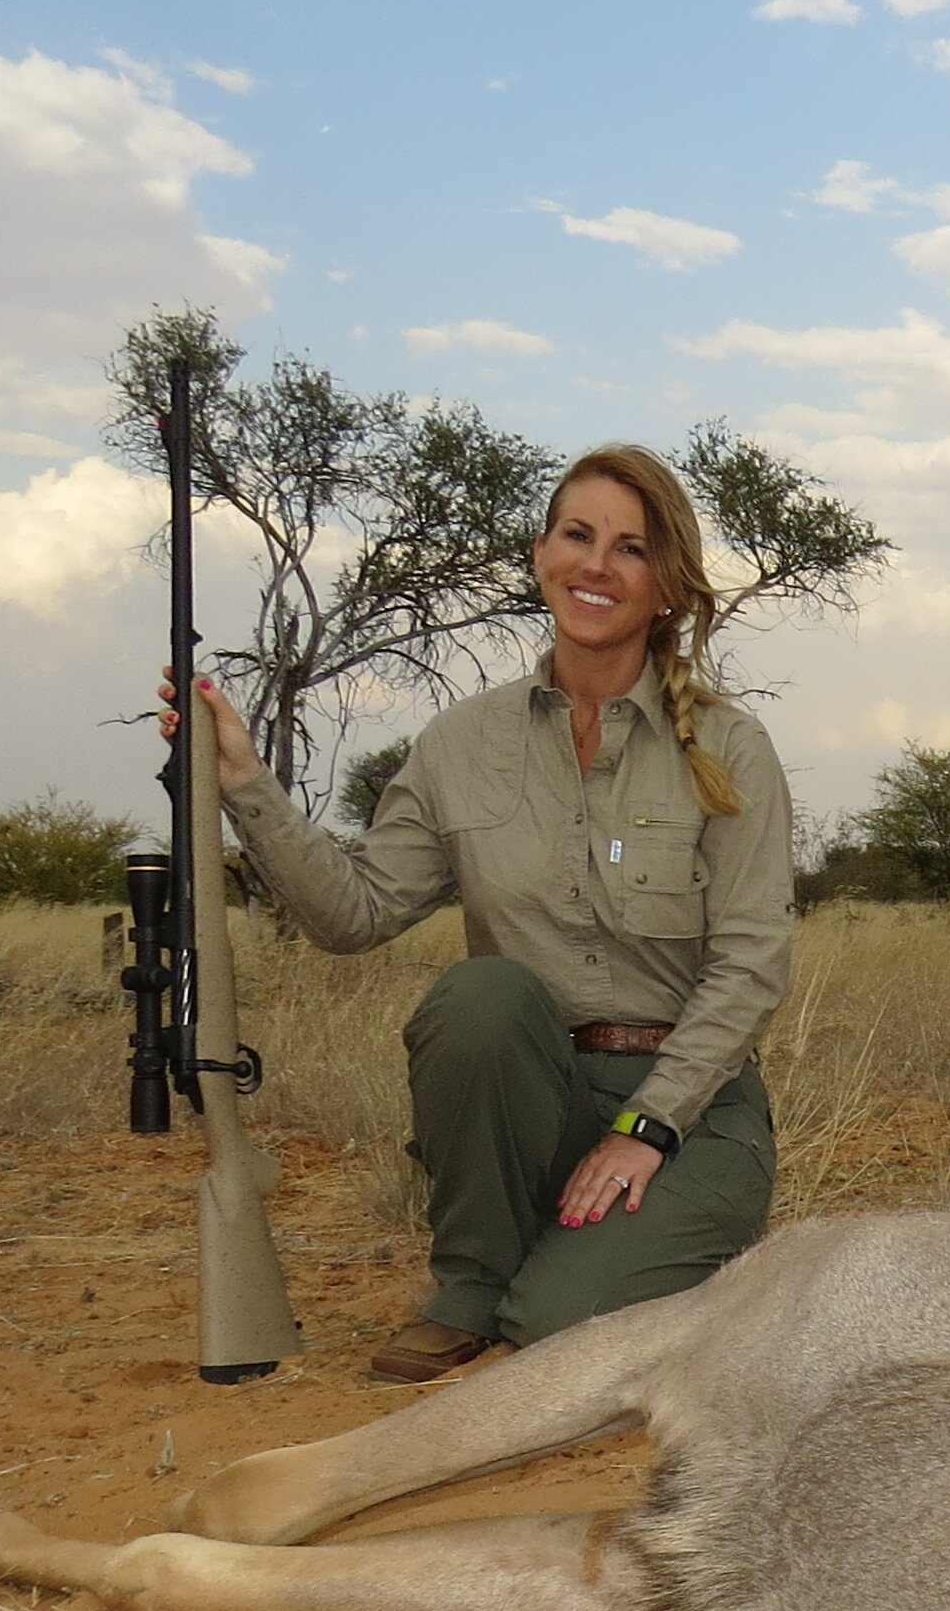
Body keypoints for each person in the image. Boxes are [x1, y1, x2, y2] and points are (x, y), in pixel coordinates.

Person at [164, 444, 797, 1383]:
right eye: (577, 536)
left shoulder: (732, 748)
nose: (595, 565)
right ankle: (470, 1282)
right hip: (530, 1105)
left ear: (665, 585)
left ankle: (560, 1274)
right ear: (541, 553)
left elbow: (748, 968)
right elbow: (354, 912)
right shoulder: (461, 742)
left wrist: (647, 1129)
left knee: (554, 1328)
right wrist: (244, 785)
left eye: (629, 548)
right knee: (482, 998)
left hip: (688, 1112)